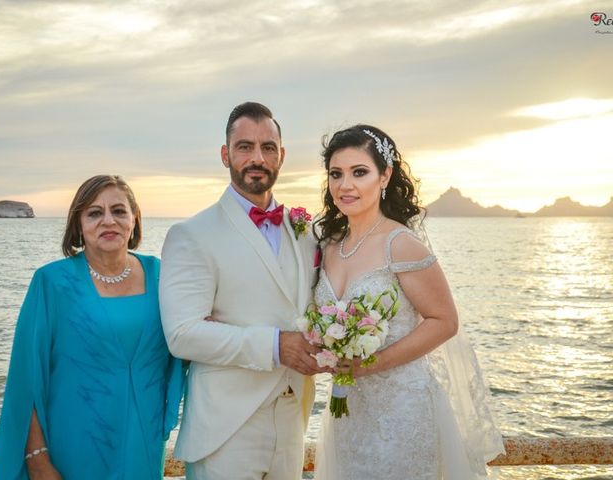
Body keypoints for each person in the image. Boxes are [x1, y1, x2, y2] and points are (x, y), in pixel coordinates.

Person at [312, 125, 504, 479]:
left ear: (384, 176)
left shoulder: (399, 243)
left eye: (360, 172)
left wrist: (371, 363)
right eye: (336, 174)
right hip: (348, 411)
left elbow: (444, 321)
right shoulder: (328, 245)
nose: (345, 185)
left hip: (402, 410)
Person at [159, 101, 326, 480]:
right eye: (245, 146)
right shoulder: (191, 235)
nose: (257, 158)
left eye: (268, 148)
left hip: (292, 421)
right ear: (225, 154)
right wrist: (274, 345)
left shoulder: (306, 231)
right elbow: (182, 334)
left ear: (281, 156)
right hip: (226, 428)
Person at [0, 175, 184, 480]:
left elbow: (189, 337)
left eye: (118, 211)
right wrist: (37, 459)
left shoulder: (162, 275)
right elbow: (26, 378)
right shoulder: (52, 283)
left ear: (134, 220)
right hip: (74, 443)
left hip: (143, 441)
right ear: (78, 225)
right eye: (94, 213)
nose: (108, 221)